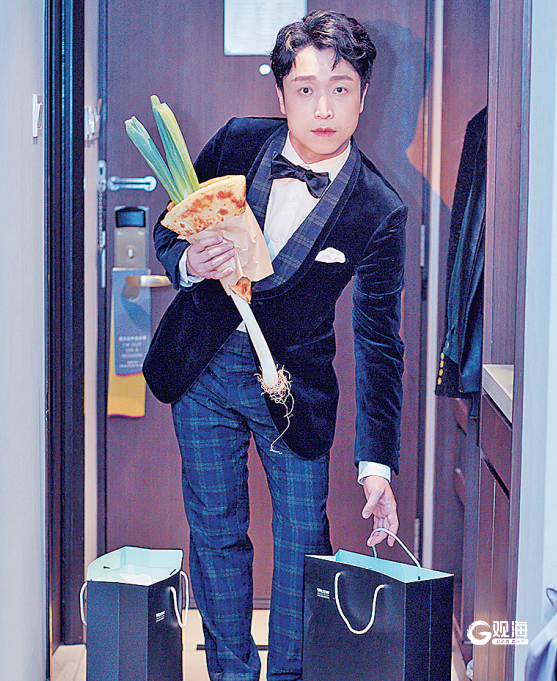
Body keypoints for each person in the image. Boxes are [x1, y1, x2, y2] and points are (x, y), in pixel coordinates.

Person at [143, 10, 406, 681]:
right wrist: (187, 262)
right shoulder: (238, 142)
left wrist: (376, 465)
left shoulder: (379, 206)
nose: (324, 109)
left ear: (363, 95)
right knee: (216, 531)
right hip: (202, 371)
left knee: (301, 541)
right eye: (306, 89)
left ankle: (290, 675)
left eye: (341, 89)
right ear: (281, 93)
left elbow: (379, 339)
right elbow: (169, 228)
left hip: (296, 392)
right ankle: (231, 673)